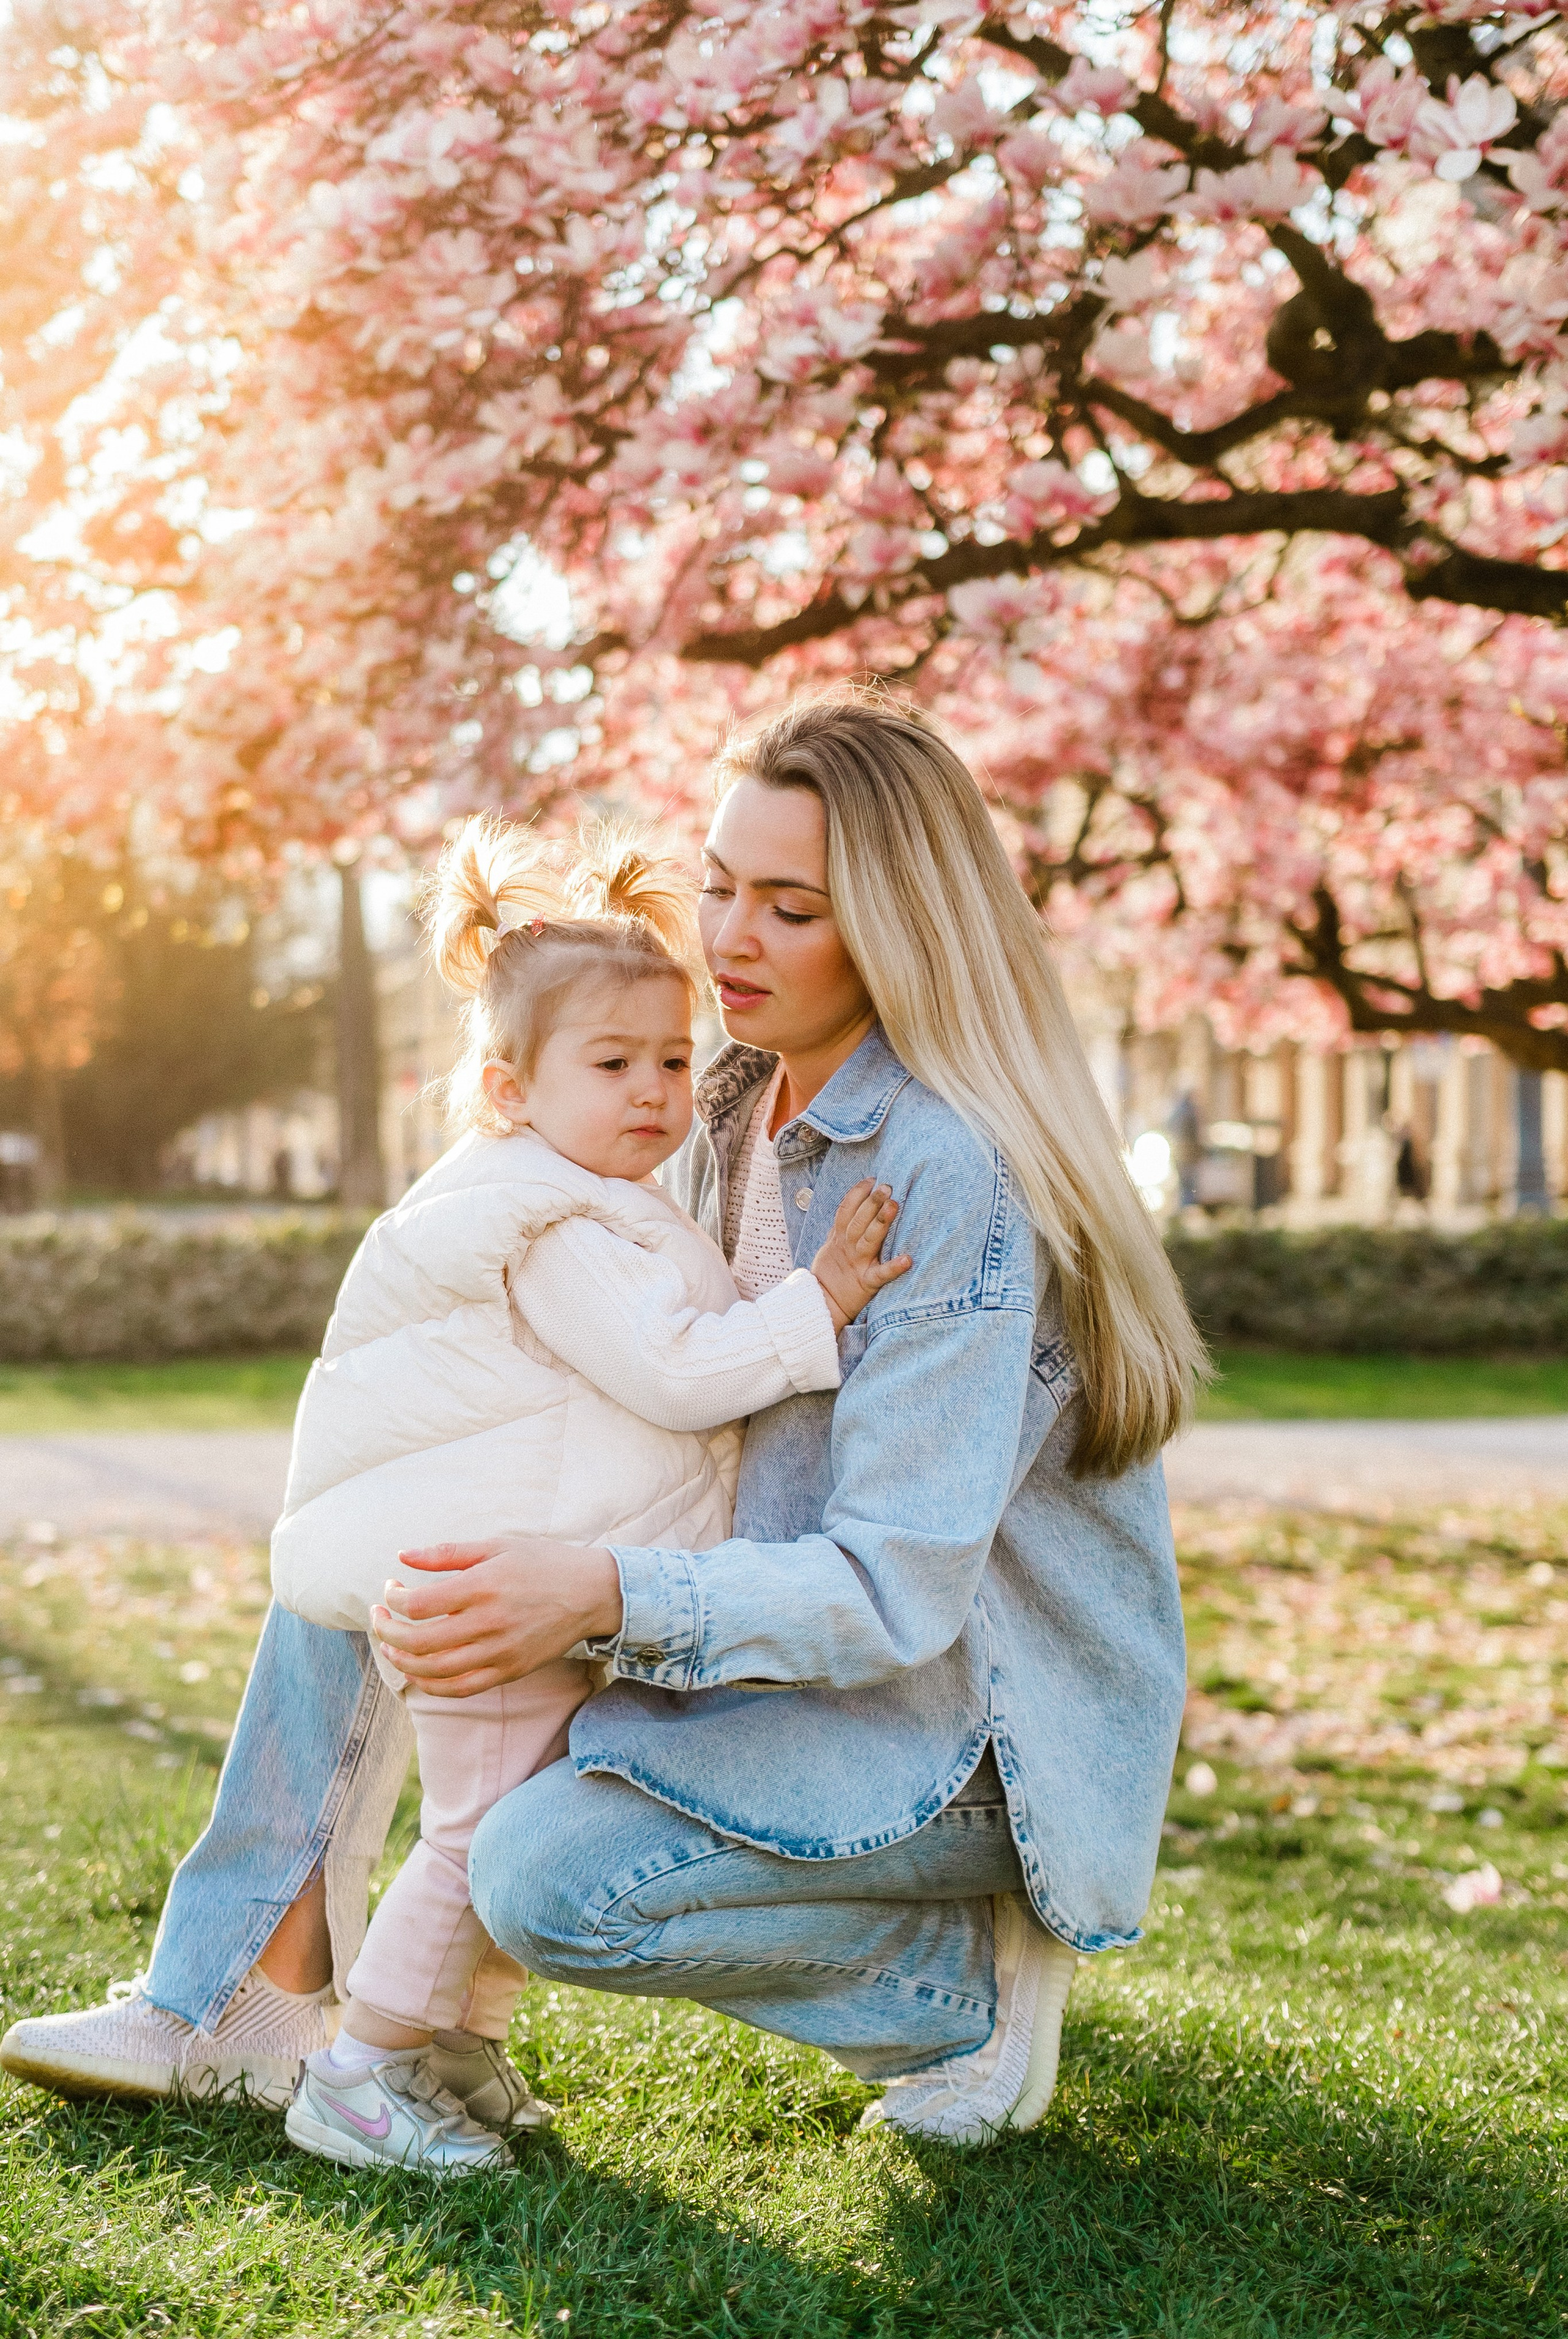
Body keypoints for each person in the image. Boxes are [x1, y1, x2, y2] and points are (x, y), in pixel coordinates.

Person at [1, 690, 1204, 2149]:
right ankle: (241, 1995)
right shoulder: (712, 1098)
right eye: (719, 887)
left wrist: (597, 1592)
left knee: (547, 1878)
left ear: (898, 929)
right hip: (761, 1638)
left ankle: (955, 1986)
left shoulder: (942, 1170)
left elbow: (892, 1593)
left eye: (788, 909)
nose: (729, 938)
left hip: (946, 1728)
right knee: (383, 1526)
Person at [271, 816, 906, 2174]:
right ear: (511, 1090)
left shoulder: (604, 1198)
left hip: (531, 1584)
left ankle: (454, 2052)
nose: (653, 1093)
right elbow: (676, 1373)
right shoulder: (554, 1222)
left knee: (516, 1824)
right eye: (611, 1065)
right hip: (494, 1595)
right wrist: (820, 1305)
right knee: (474, 1840)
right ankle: (358, 2074)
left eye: (673, 1060)